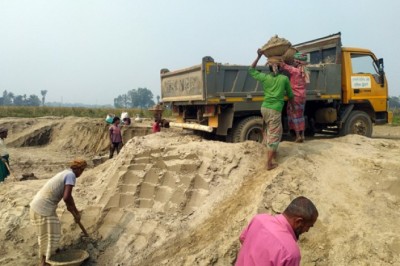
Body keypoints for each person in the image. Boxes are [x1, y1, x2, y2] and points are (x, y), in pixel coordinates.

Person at [30, 159, 88, 266]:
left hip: (37, 205)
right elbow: (66, 197)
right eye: (83, 170)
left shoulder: (65, 173)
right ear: (79, 169)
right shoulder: (71, 176)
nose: (82, 173)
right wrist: (73, 210)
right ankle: (45, 262)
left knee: (51, 231)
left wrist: (74, 210)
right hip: (43, 208)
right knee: (50, 234)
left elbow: (68, 197)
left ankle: (52, 253)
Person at [236, 196, 318, 266]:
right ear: (299, 221)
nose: (307, 230)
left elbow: (243, 239)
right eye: (308, 226)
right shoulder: (291, 253)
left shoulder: (259, 219)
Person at [249, 49, 294, 170]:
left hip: (264, 108)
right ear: (280, 68)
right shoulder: (284, 79)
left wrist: (258, 57)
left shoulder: (265, 78)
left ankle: (271, 154)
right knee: (274, 135)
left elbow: (251, 70)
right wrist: (293, 107)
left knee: (269, 131)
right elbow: (290, 95)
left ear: (269, 68)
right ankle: (268, 163)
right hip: (275, 110)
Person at [280, 55, 309, 143]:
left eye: (295, 61)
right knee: (301, 116)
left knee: (294, 115)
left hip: (295, 97)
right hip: (302, 97)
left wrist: (280, 58)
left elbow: (283, 66)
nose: (294, 62)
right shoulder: (306, 71)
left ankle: (298, 136)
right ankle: (303, 135)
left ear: (298, 62)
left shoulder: (295, 71)